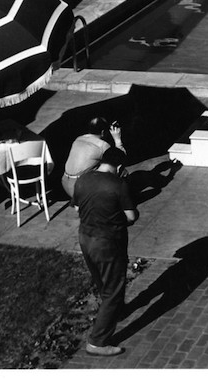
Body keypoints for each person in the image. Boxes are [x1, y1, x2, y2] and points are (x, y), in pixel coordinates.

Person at [74, 146, 137, 356]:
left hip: (85, 238)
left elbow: (76, 207)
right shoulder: (118, 185)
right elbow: (131, 216)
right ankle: (97, 341)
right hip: (108, 243)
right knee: (114, 290)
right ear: (119, 167)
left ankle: (114, 312)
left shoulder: (82, 179)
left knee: (102, 282)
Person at [61, 117, 125, 203]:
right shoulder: (102, 145)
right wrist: (117, 139)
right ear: (103, 132)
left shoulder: (78, 138)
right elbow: (120, 158)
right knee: (119, 170)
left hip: (65, 183)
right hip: (80, 189)